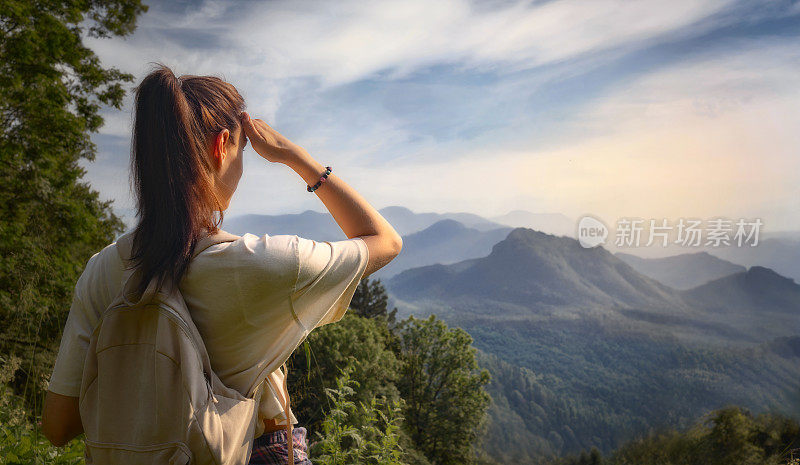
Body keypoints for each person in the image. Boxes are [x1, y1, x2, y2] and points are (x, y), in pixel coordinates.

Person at [39, 63, 403, 464]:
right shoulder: (265, 266)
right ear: (221, 144)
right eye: (242, 150)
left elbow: (58, 427)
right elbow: (384, 240)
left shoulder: (102, 271)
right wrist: (297, 158)